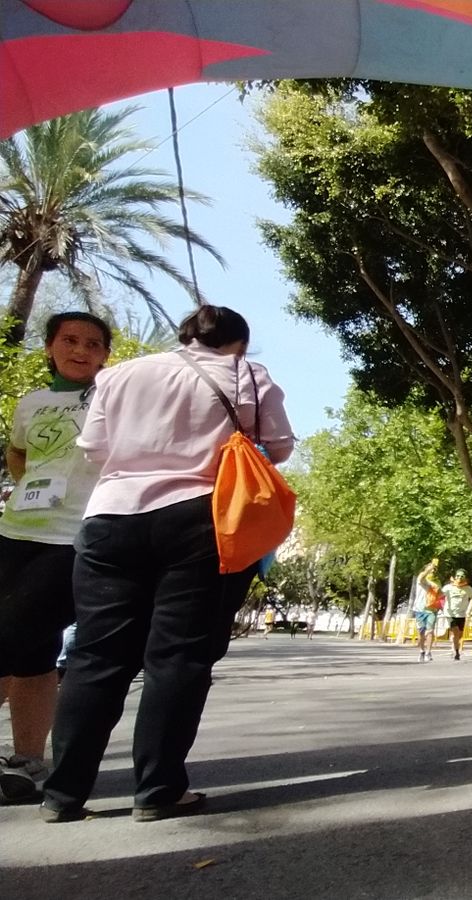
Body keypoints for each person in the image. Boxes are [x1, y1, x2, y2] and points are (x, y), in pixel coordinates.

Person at [41, 304, 294, 823]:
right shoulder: (249, 373)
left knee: (95, 656)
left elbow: (94, 448)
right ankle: (157, 790)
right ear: (239, 344)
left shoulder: (120, 374)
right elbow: (280, 447)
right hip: (199, 519)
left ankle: (63, 794)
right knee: (178, 656)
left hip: (110, 518)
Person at [0, 312, 112, 804]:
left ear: (106, 355)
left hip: (73, 539)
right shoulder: (32, 402)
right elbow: (18, 452)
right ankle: (29, 761)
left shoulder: (111, 398)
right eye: (69, 340)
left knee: (16, 632)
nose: (81, 350)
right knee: (31, 651)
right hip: (15, 532)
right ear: (49, 347)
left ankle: (27, 760)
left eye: (93, 344)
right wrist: (29, 487)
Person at [440, 569, 472, 661]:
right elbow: (440, 596)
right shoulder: (448, 587)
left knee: (459, 635)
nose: (459, 578)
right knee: (456, 631)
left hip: (461, 614)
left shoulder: (468, 589)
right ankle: (456, 652)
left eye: (462, 576)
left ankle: (454, 645)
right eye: (458, 576)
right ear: (455, 577)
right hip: (450, 613)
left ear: (465, 578)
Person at [411, 559, 442, 662]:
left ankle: (428, 652)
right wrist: (430, 567)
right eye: (431, 569)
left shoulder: (437, 582)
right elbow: (423, 576)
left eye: (434, 570)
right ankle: (421, 651)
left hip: (431, 609)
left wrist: (440, 605)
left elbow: (441, 594)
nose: (433, 571)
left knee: (430, 631)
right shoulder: (421, 578)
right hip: (419, 609)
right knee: (421, 632)